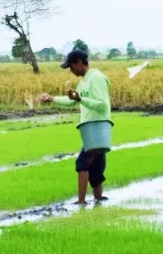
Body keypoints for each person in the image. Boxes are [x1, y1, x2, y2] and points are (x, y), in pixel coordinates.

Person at [39, 49, 112, 205]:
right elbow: (74, 101)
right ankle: (99, 200)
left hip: (97, 128)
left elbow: (103, 106)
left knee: (82, 164)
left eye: (71, 67)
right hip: (90, 130)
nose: (70, 71)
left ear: (79, 63)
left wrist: (81, 99)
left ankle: (81, 202)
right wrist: (52, 99)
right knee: (96, 168)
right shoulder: (84, 81)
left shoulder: (96, 78)